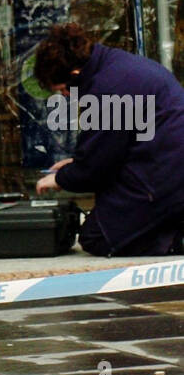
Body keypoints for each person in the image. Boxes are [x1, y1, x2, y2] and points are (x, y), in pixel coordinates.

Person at [34, 22, 184, 255]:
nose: (65, 96)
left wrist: (61, 179)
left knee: (97, 237)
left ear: (74, 75)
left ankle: (173, 241)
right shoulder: (116, 66)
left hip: (162, 179)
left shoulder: (107, 90)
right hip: (164, 166)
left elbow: (96, 168)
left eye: (63, 90)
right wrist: (78, 164)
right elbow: (110, 145)